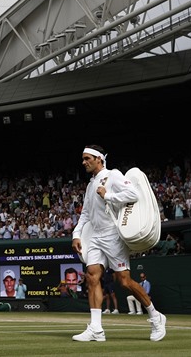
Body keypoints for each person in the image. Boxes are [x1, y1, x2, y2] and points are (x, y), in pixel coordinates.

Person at [71, 144, 166, 342]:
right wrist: (76, 234)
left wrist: (108, 196)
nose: (84, 162)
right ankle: (96, 329)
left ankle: (156, 317)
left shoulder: (113, 175)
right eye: (83, 159)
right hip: (95, 236)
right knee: (92, 276)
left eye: (87, 158)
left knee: (123, 281)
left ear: (99, 159)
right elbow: (86, 213)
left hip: (113, 234)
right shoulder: (90, 185)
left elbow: (133, 195)